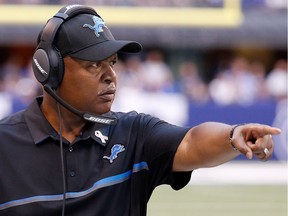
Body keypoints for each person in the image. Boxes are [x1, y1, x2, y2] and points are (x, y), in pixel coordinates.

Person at [0, 4, 281, 216]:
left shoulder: (133, 133)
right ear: (50, 70)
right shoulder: (5, 145)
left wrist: (233, 136)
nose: (111, 75)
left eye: (112, 62)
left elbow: (193, 142)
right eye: (94, 64)